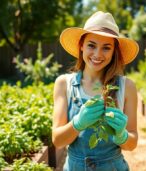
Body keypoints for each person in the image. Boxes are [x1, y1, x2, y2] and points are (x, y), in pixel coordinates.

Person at [52, 11, 139, 171]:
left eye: (106, 48)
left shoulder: (127, 87)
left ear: (114, 52)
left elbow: (132, 143)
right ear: (81, 46)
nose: (98, 54)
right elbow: (57, 140)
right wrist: (78, 123)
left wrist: (122, 135)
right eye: (91, 45)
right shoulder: (64, 84)